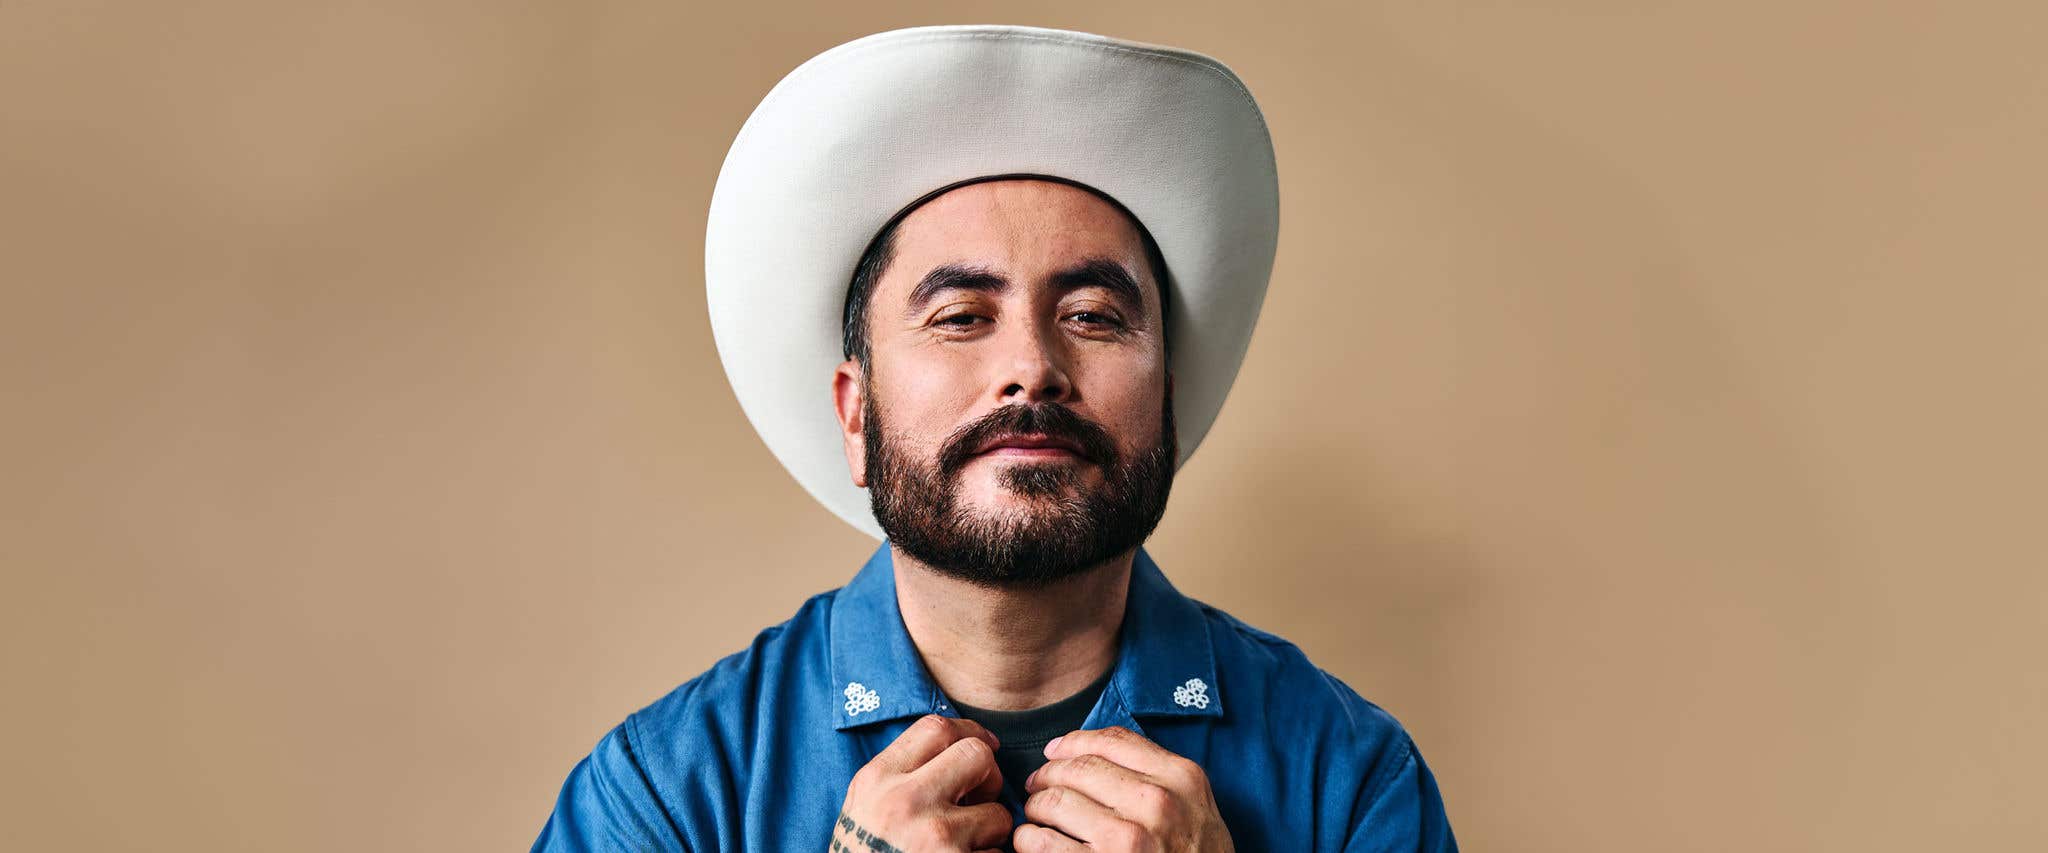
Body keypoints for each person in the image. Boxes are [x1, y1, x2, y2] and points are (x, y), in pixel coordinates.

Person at [534, 25, 1457, 852]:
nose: (1032, 367)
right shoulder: (663, 795)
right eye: (961, 315)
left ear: (1167, 402)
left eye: (1093, 314)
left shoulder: (1353, 780)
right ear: (857, 415)